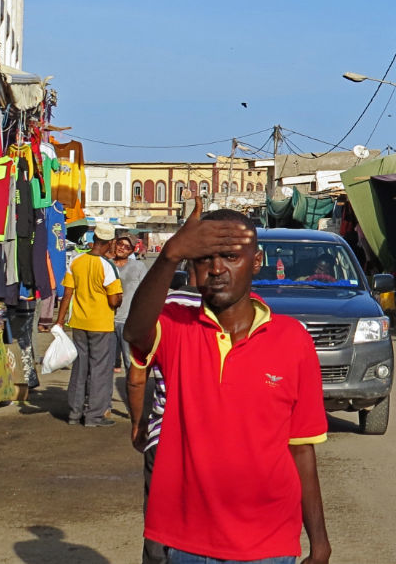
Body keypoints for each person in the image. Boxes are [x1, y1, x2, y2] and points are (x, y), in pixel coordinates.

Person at [124, 199, 331, 564]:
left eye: (231, 257)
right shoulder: (175, 324)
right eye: (204, 258)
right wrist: (169, 254)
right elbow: (136, 330)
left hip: (269, 542)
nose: (216, 269)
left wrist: (320, 541)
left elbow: (301, 449)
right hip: (187, 540)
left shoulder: (293, 339)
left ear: (256, 263)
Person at [127, 262, 202, 564]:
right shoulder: (243, 311)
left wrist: (138, 423)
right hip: (213, 440)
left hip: (164, 435)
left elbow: (136, 377)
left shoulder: (163, 310)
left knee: (159, 528)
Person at [57, 224, 123, 427]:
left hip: (78, 322)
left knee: (80, 368)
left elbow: (67, 294)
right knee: (100, 370)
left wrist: (59, 321)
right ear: (110, 242)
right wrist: (119, 299)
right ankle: (94, 415)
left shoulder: (76, 261)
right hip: (101, 324)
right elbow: (113, 300)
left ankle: (75, 413)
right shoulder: (107, 266)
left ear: (93, 238)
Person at [111, 233, 148, 378]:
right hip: (106, 321)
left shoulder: (138, 267)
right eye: (120, 244)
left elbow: (145, 293)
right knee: (105, 362)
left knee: (130, 361)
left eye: (127, 247)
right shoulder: (106, 264)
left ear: (132, 251)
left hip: (128, 321)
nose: (122, 248)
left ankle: (132, 394)